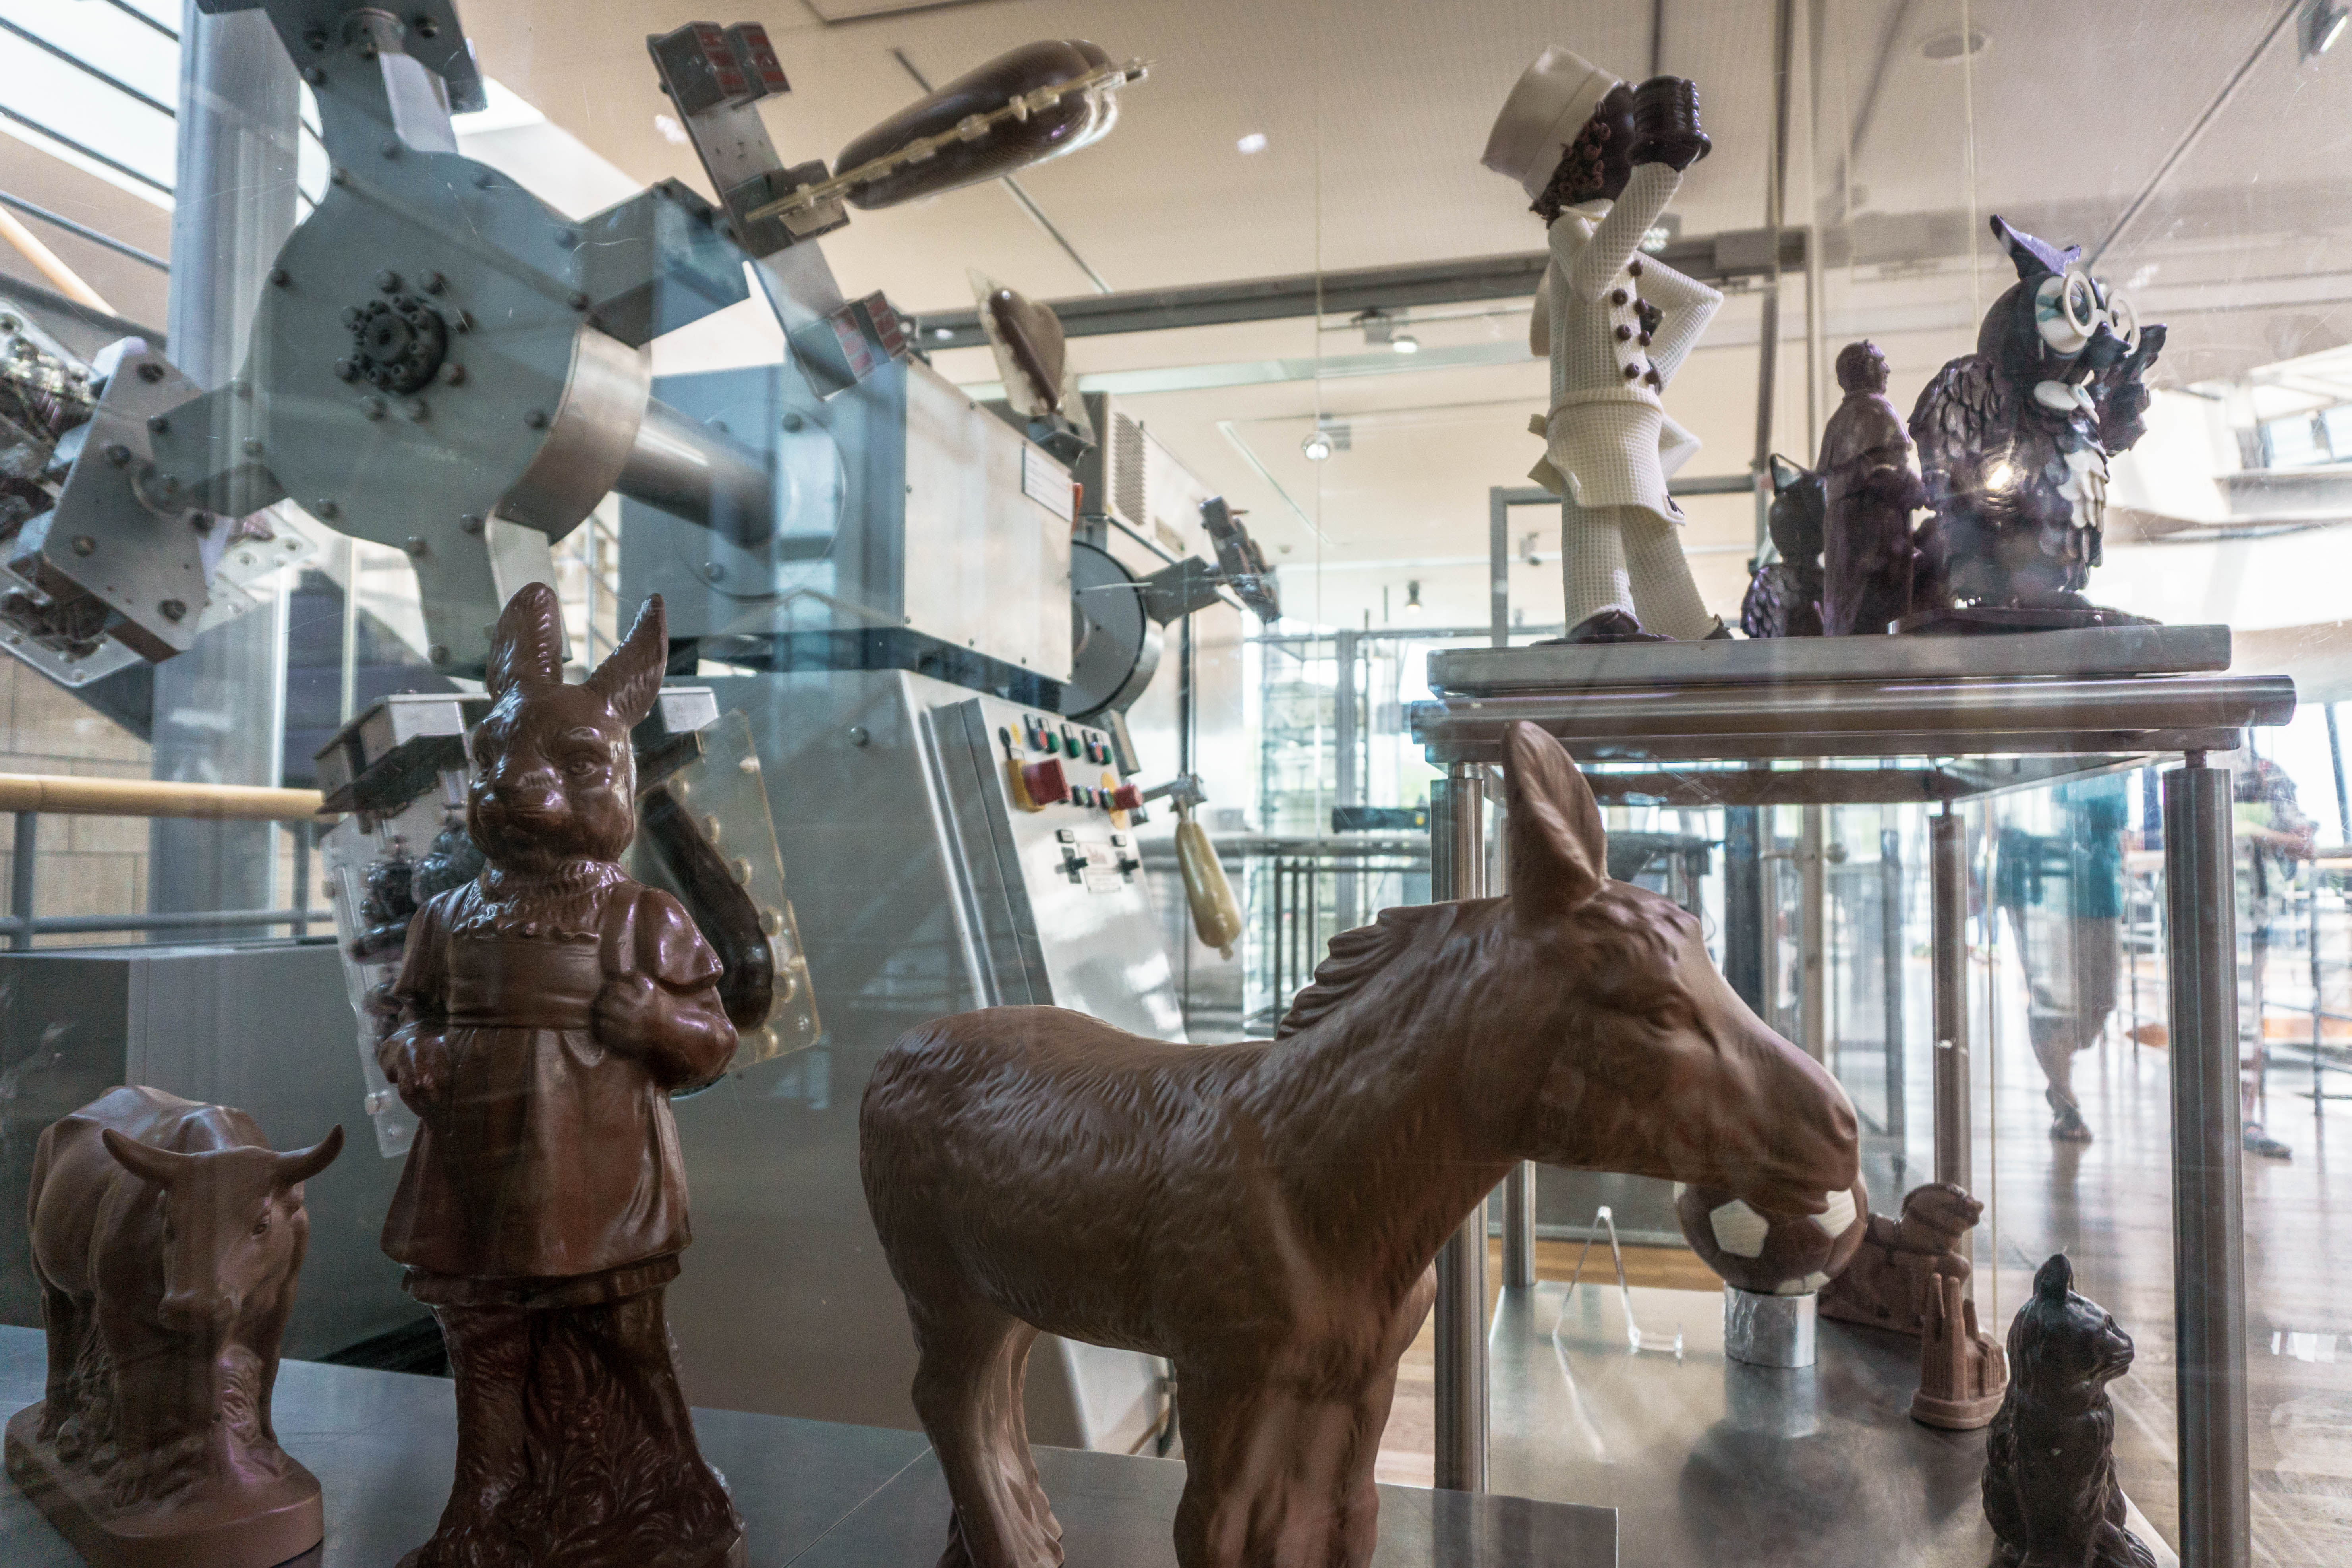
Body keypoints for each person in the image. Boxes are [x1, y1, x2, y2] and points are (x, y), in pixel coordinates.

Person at [1482, 49, 1728, 642]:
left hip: (1630, 412)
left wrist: (1652, 374)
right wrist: (1661, 173)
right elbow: (1593, 278)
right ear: (1586, 149)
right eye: (1629, 131)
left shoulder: (1613, 245)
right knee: (1594, 504)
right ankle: (1598, 613)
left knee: (1650, 522)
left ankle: (1689, 627)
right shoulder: (1572, 230)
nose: (1637, 145)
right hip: (1591, 409)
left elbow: (1700, 302)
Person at [1994, 775, 2126, 1143]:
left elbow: (2120, 828)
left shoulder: (2115, 737)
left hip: (2098, 883)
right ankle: (2064, 1099)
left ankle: (2060, 1081)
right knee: (2051, 1000)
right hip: (2034, 881)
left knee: (2103, 1000)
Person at [2235, 750, 2315, 1160]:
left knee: (2247, 1016)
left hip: (2250, 917)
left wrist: (2251, 829)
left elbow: (2303, 842)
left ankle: (2243, 1116)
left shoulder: (2265, 773)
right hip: (2195, 911)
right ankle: (2219, 1114)